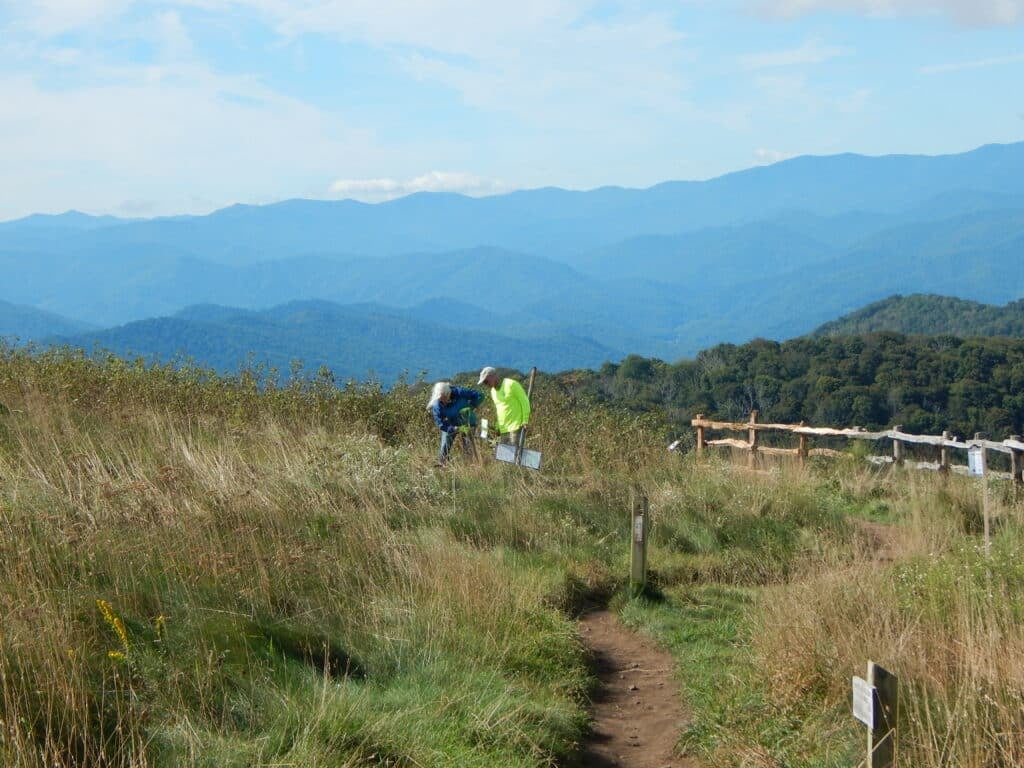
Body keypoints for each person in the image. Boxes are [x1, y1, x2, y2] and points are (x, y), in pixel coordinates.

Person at [427, 381, 484, 465]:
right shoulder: (437, 405)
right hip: (450, 424)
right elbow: (441, 424)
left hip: (468, 422)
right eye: (440, 399)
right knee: (444, 448)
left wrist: (471, 406)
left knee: (468, 447)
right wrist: (452, 428)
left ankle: (470, 465)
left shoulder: (460, 392)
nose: (443, 401)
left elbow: (480, 395)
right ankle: (442, 465)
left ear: (448, 393)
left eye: (444, 398)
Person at [477, 367, 530, 446]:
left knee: (515, 455)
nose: (486, 384)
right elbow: (499, 410)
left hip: (515, 426)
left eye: (486, 381)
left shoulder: (511, 384)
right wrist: (498, 426)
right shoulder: (492, 392)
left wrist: (525, 420)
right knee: (505, 456)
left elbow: (524, 402)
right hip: (503, 429)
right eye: (484, 383)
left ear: (493, 377)